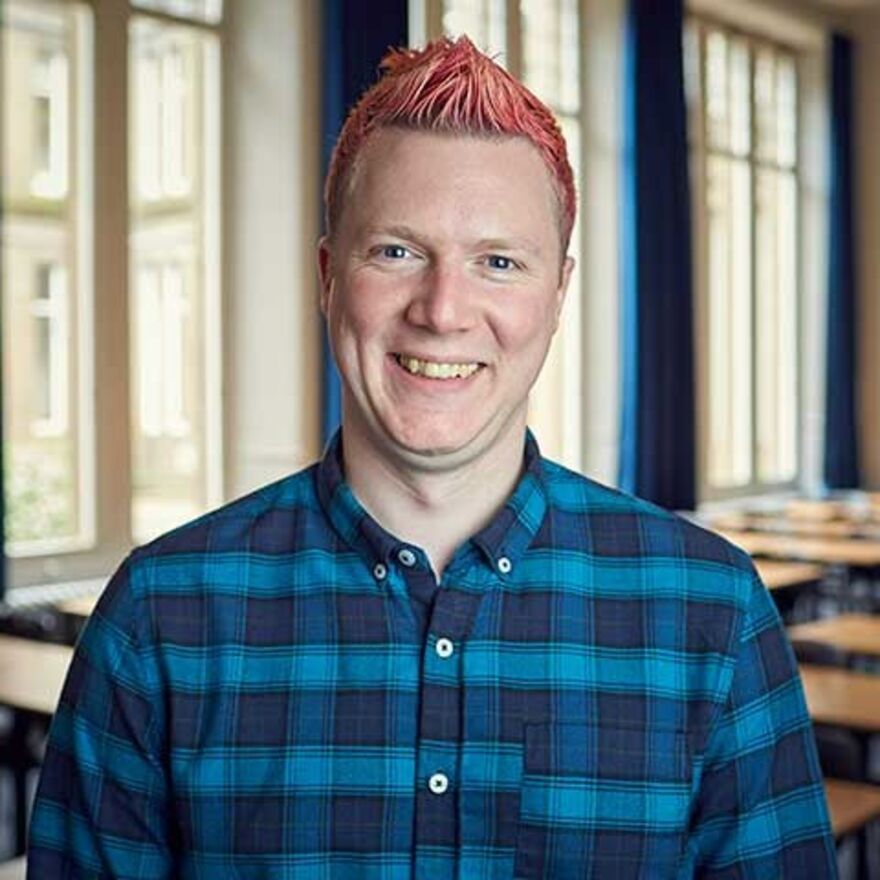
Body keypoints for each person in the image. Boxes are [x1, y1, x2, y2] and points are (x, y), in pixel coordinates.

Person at [28, 36, 836, 879]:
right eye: (397, 252)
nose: (444, 310)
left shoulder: (712, 614)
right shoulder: (160, 618)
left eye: (498, 262)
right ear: (328, 276)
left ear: (557, 295)